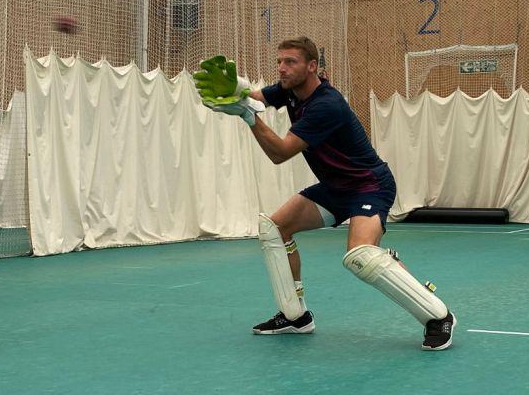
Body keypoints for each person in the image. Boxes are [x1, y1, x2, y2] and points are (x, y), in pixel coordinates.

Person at [193, 37, 456, 350]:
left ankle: (438, 317)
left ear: (312, 66)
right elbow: (258, 96)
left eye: (290, 62)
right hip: (334, 187)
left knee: (361, 256)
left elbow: (280, 153)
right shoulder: (289, 89)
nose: (282, 68)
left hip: (368, 185)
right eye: (279, 61)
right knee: (274, 228)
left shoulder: (325, 105)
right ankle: (295, 316)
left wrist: (247, 116)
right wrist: (237, 92)